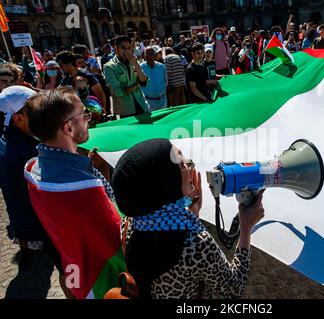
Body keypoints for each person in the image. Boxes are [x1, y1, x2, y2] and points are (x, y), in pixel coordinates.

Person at [110, 138, 265, 298]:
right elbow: (233, 289)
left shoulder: (129, 223)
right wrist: (246, 227)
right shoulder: (197, 244)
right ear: (165, 182)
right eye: (181, 164)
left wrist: (192, 214)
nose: (189, 164)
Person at [25, 87, 123, 298]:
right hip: (104, 282)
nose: (89, 118)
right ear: (68, 127)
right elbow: (121, 236)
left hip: (75, 272)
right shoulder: (84, 187)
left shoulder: (34, 168)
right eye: (84, 114)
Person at [0, 86, 49, 270]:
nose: (41, 113)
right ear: (18, 119)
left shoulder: (7, 141)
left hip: (23, 221)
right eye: (35, 110)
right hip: (35, 225)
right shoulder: (28, 150)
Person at [103, 35, 150, 117]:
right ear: (116, 49)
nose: (126, 51)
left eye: (128, 48)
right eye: (123, 48)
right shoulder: (109, 67)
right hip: (126, 111)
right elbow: (118, 92)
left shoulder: (133, 61)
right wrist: (137, 85)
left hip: (142, 106)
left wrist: (136, 64)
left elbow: (145, 82)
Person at [140, 46, 168, 111]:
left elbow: (165, 81)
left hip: (162, 101)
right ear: (144, 56)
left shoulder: (162, 67)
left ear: (155, 55)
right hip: (148, 102)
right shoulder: (140, 68)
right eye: (148, 54)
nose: (150, 56)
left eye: (152, 53)